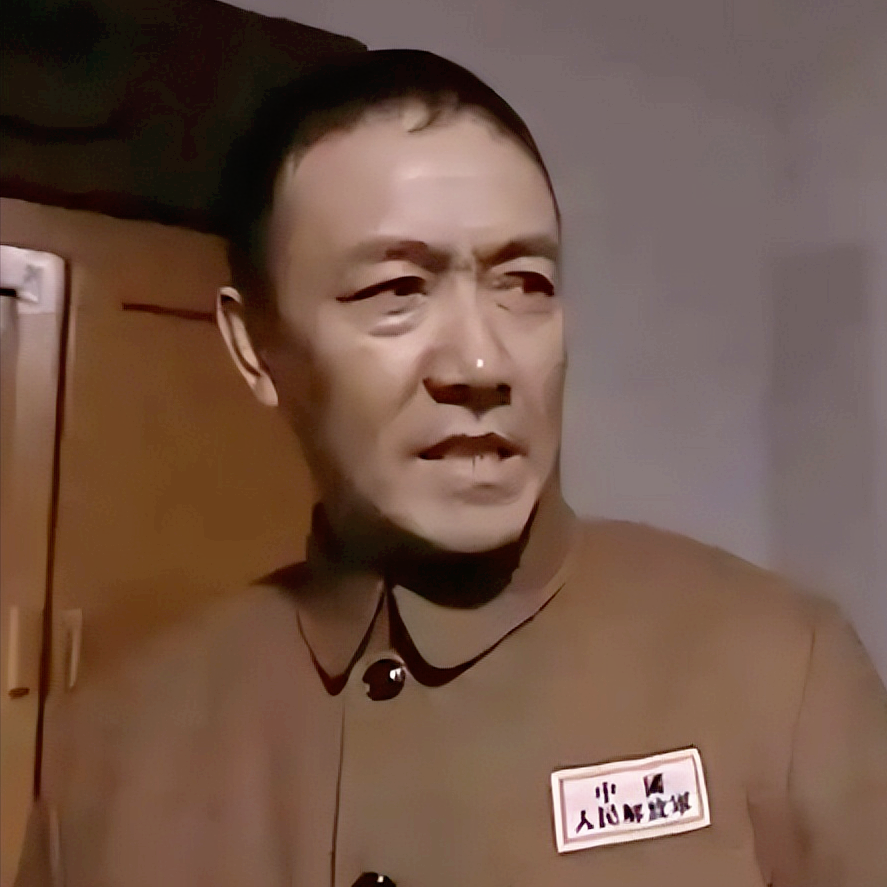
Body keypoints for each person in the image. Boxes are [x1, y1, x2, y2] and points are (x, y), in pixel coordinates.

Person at [16, 49, 887, 887]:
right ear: (255, 347)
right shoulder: (110, 758)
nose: (481, 364)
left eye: (525, 283)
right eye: (395, 290)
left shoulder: (778, 672)